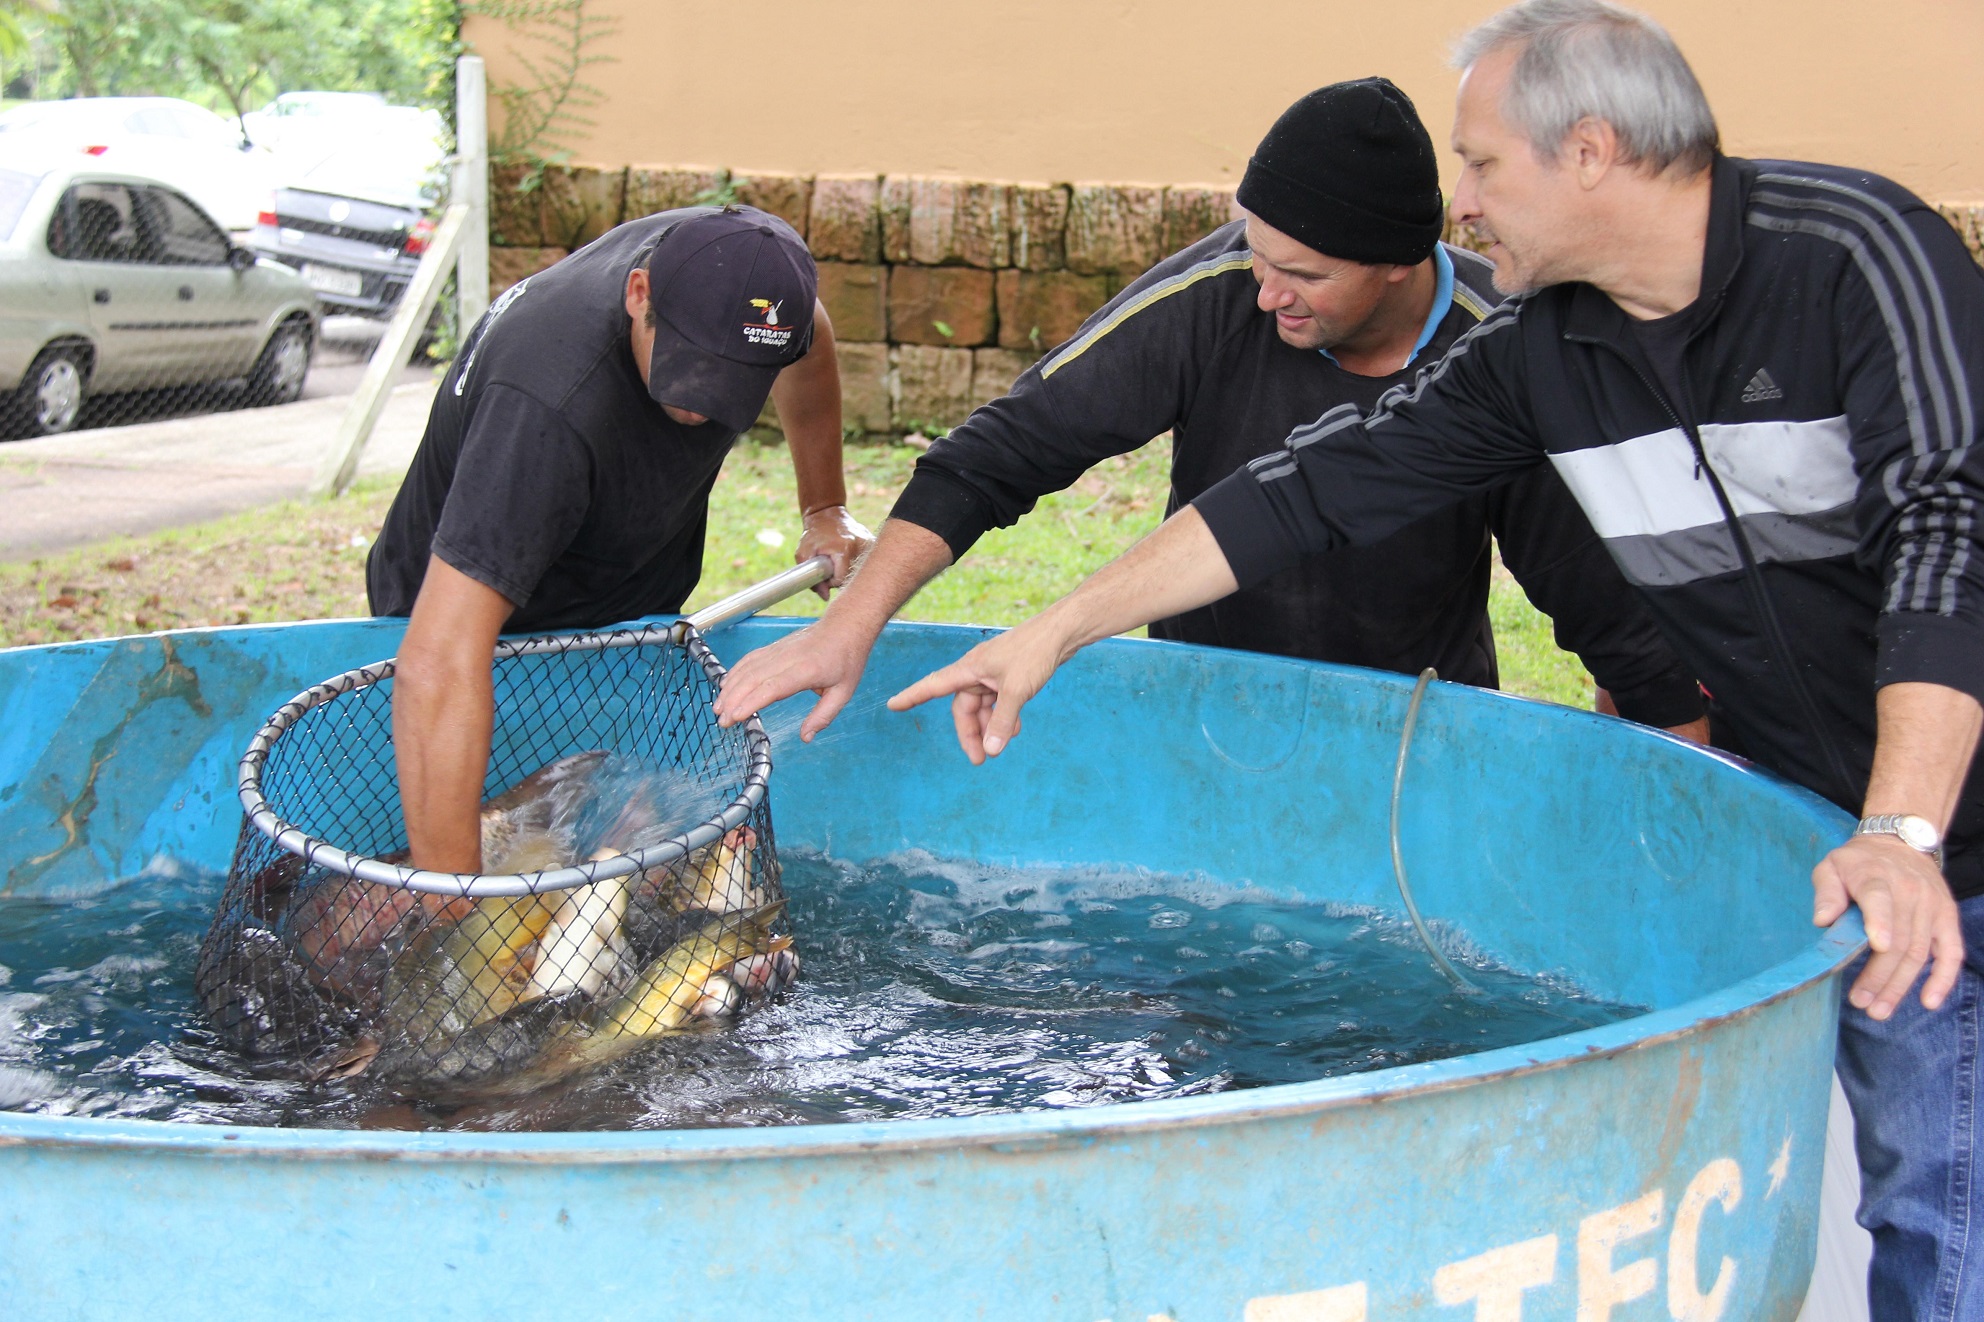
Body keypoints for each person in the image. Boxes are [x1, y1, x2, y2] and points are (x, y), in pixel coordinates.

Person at [889, 3, 1984, 1313]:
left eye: (1479, 166)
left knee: (1942, 1189)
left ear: (1589, 150)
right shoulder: (1538, 354)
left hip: (1934, 822)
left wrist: (1907, 826)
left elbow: (1952, 522)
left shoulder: (1858, 252)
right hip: (1832, 819)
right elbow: (1306, 488)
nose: (1457, 205)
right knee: (1925, 1186)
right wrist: (1055, 629)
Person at [714, 80, 1705, 743]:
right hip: (1198, 717)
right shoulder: (1219, 292)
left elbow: (1616, 620)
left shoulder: (1503, 355)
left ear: (1402, 263)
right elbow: (999, 454)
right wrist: (851, 621)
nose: (1264, 290)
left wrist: (1659, 792)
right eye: (1254, 252)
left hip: (1408, 735)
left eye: (1302, 273)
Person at [367, 204, 874, 875]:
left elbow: (810, 340)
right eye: (690, 368)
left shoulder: (757, 293)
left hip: (623, 582)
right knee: (482, 843)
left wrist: (825, 507)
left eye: (732, 381)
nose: (699, 406)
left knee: (598, 841)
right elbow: (436, 662)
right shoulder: (545, 406)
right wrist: (456, 914)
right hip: (468, 604)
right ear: (639, 295)